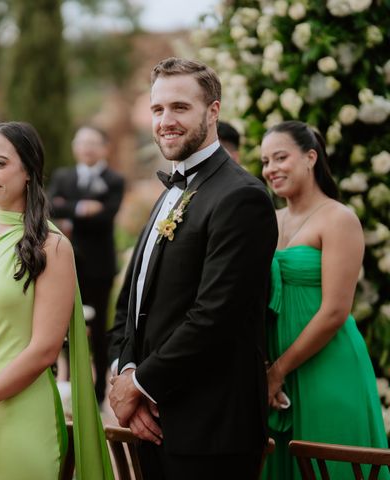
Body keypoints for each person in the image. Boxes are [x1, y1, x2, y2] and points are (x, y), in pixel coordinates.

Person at [107, 57, 278, 479]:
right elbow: (131, 303)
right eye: (158, 109)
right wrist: (125, 369)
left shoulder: (242, 197)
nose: (166, 120)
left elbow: (216, 315)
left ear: (213, 111)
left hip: (211, 428)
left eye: (180, 107)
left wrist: (140, 384)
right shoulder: (167, 192)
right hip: (153, 422)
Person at [0, 122, 113, 480]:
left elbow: (44, 350)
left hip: (22, 420)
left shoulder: (53, 247)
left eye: (0, 163)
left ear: (28, 171)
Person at [260, 120, 388, 479]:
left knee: (328, 467)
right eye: (266, 162)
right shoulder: (270, 220)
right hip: (276, 372)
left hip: (326, 366)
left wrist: (278, 371)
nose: (271, 169)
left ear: (310, 157)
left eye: (281, 157)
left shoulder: (338, 218)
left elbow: (335, 310)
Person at [47, 125, 124, 405]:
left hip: (100, 267)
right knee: (63, 323)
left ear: (104, 148)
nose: (87, 148)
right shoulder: (63, 176)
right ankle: (67, 386)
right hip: (65, 264)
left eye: (93, 143)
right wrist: (84, 208)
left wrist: (69, 208)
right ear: (74, 147)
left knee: (100, 328)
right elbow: (50, 207)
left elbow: (106, 218)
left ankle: (100, 392)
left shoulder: (114, 179)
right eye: (82, 143)